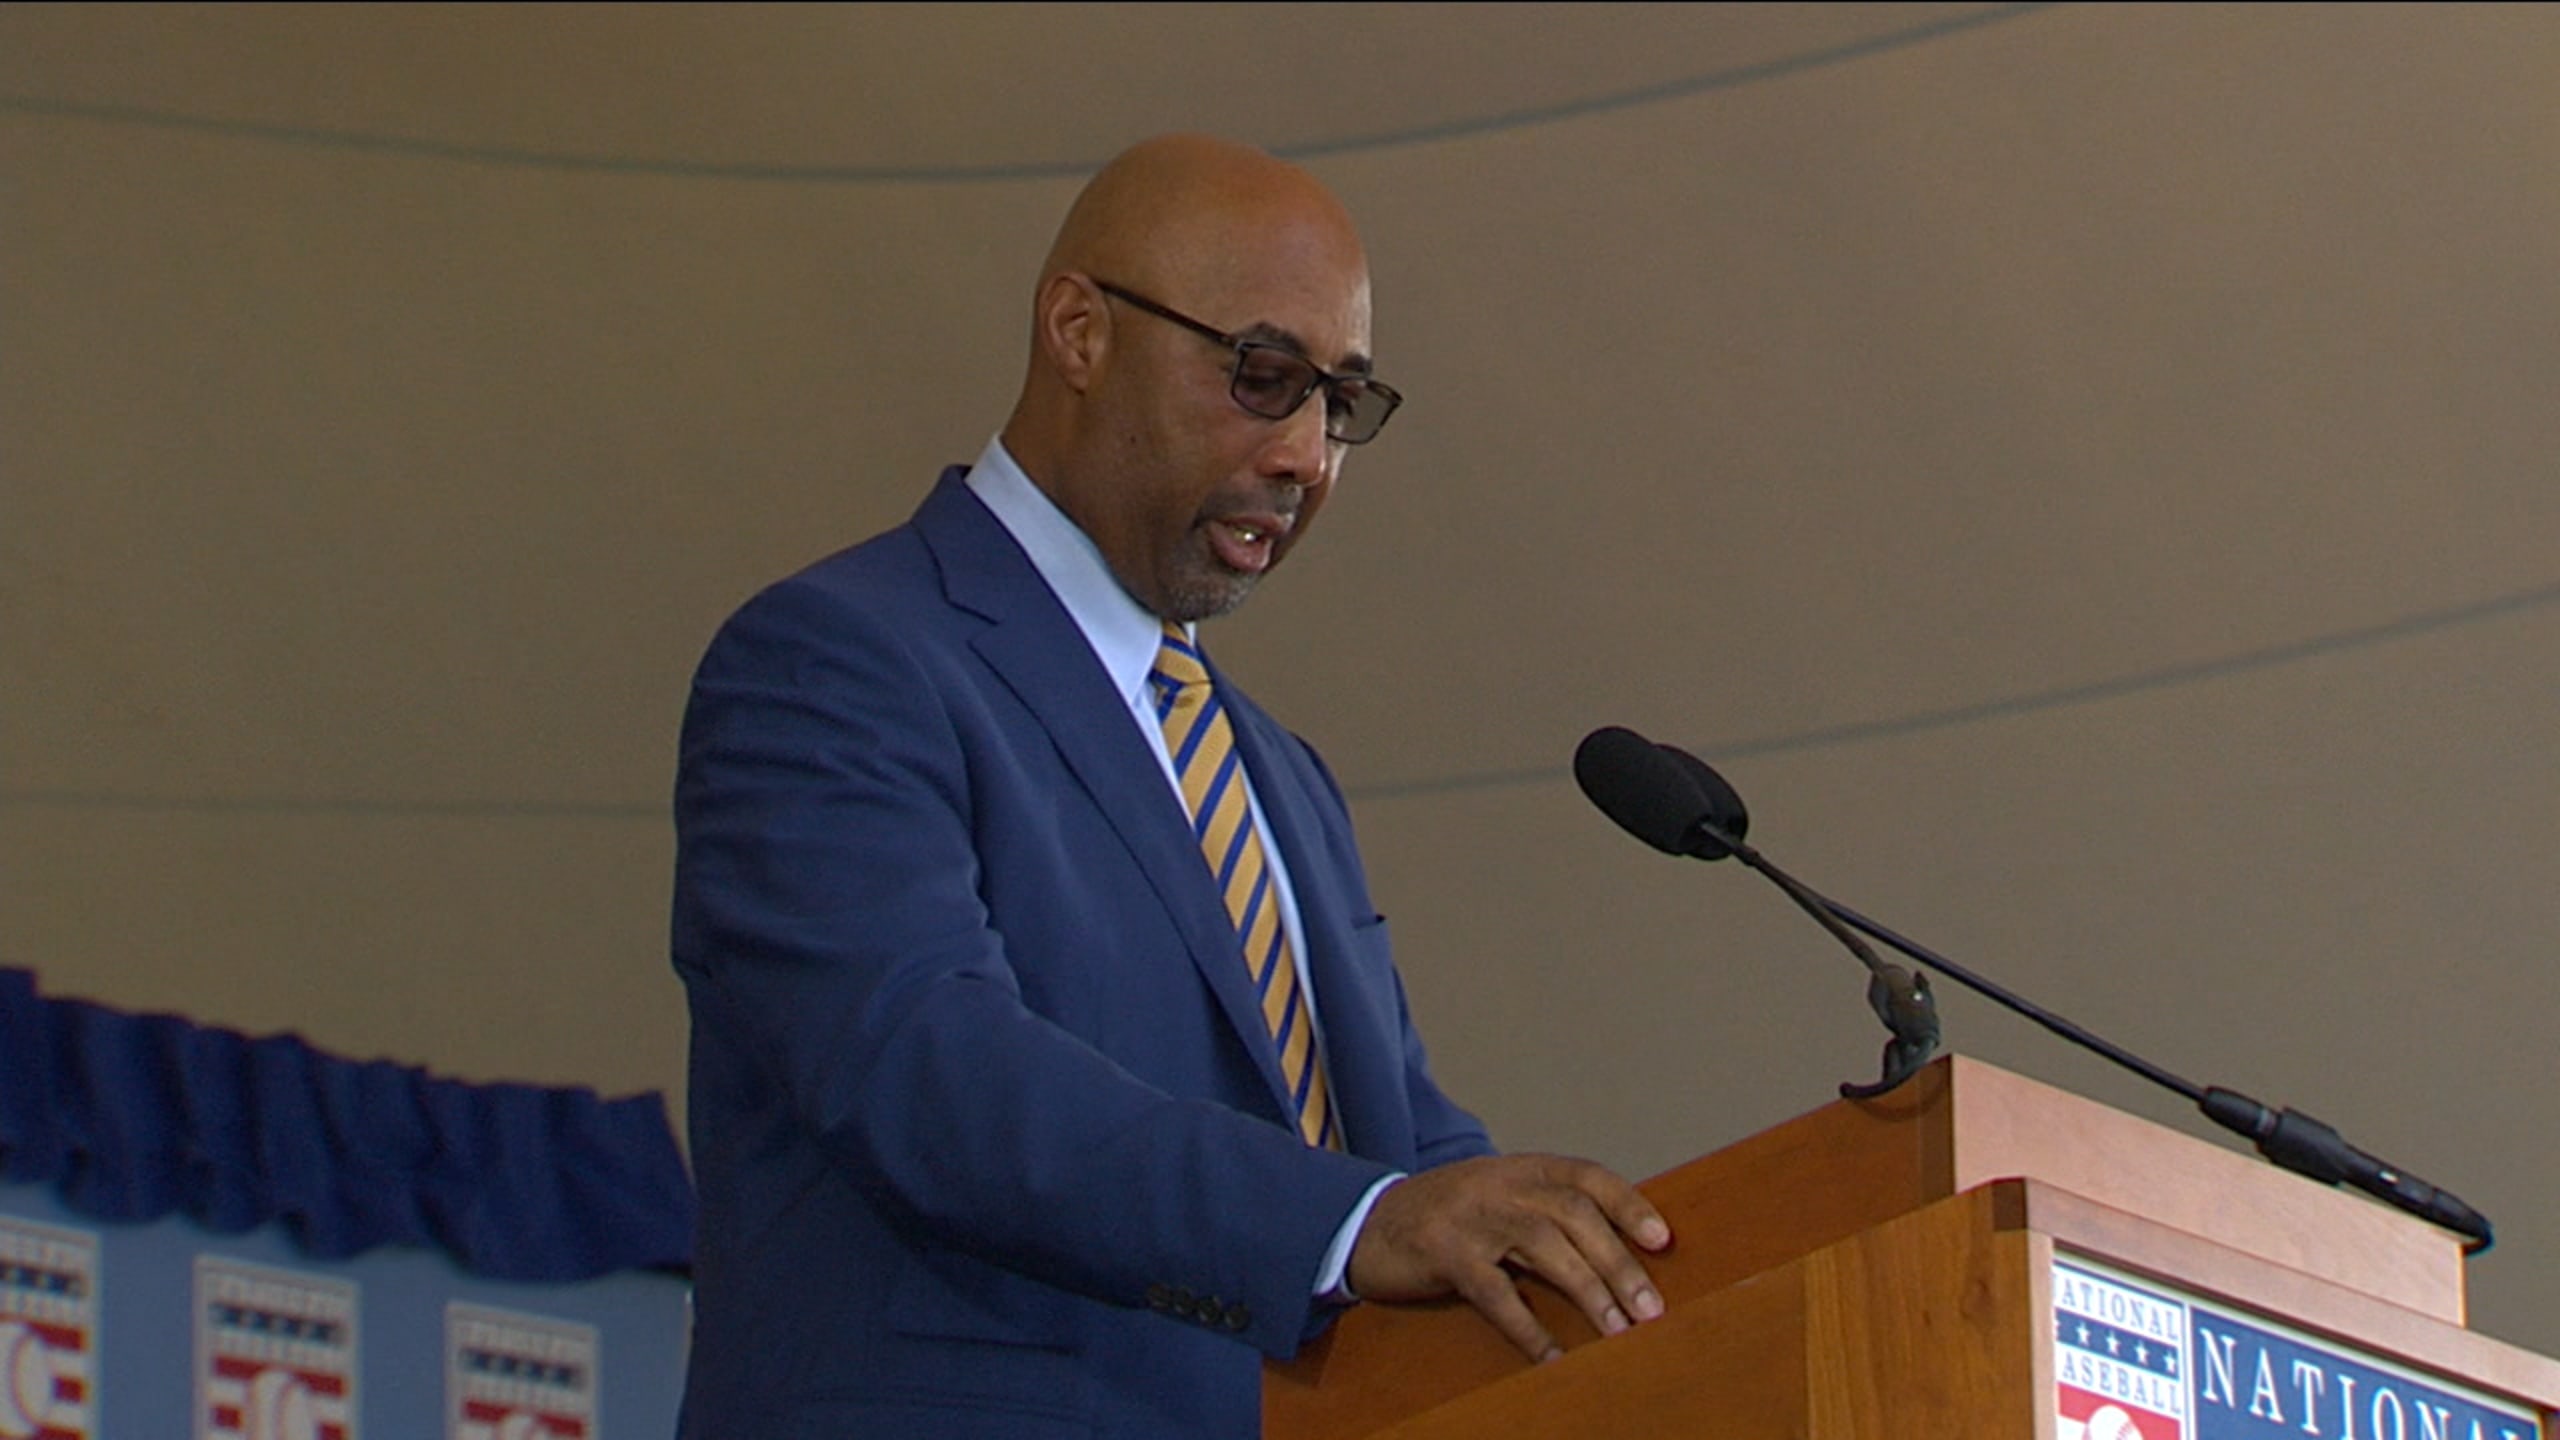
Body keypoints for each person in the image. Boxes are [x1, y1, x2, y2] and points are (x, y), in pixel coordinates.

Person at [669, 132, 1671, 1438]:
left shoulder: (1281, 781)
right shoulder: (837, 663)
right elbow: (931, 1072)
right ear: (1079, 332)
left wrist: (1606, 1272)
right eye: (1265, 377)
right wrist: (1355, 1223)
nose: (1308, 458)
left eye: (1343, 403)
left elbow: (1410, 1159)